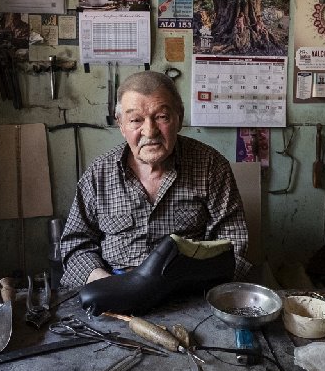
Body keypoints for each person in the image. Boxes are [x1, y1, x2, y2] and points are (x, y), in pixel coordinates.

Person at [60, 71, 250, 288]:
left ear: (179, 118)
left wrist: (198, 285)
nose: (150, 131)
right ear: (121, 124)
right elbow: (75, 244)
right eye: (135, 120)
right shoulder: (98, 174)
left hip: (189, 288)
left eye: (161, 117)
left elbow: (234, 241)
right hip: (116, 285)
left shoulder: (211, 166)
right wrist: (109, 285)